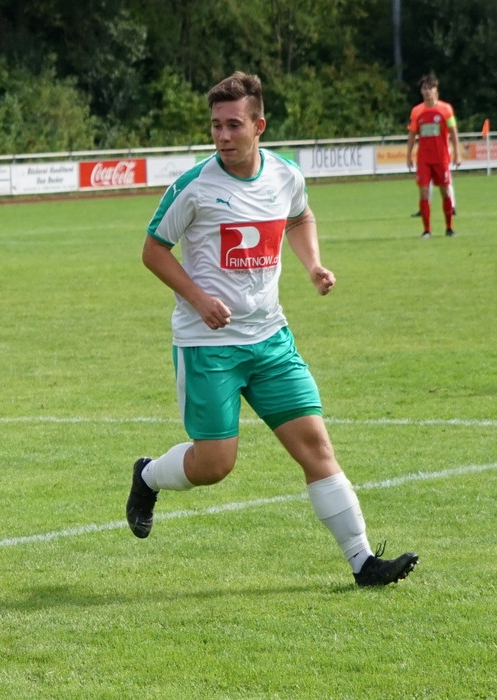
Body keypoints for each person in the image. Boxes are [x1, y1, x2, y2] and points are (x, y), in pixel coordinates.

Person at [126, 71, 419, 588]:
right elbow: (153, 250)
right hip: (209, 345)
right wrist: (198, 299)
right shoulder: (194, 187)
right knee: (216, 464)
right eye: (216, 125)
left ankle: (363, 562)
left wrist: (313, 264)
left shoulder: (285, 175)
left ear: (259, 126)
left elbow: (300, 218)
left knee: (316, 447)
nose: (222, 135)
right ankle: (148, 475)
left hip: (270, 339)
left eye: (233, 125)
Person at [406, 73, 460, 238]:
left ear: (436, 90)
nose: (427, 91)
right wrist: (408, 155)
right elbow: (412, 135)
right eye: (425, 88)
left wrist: (457, 154)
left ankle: (449, 228)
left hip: (441, 158)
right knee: (423, 192)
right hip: (424, 159)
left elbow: (453, 132)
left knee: (445, 192)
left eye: (430, 88)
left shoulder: (446, 109)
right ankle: (427, 230)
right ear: (421, 91)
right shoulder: (417, 111)